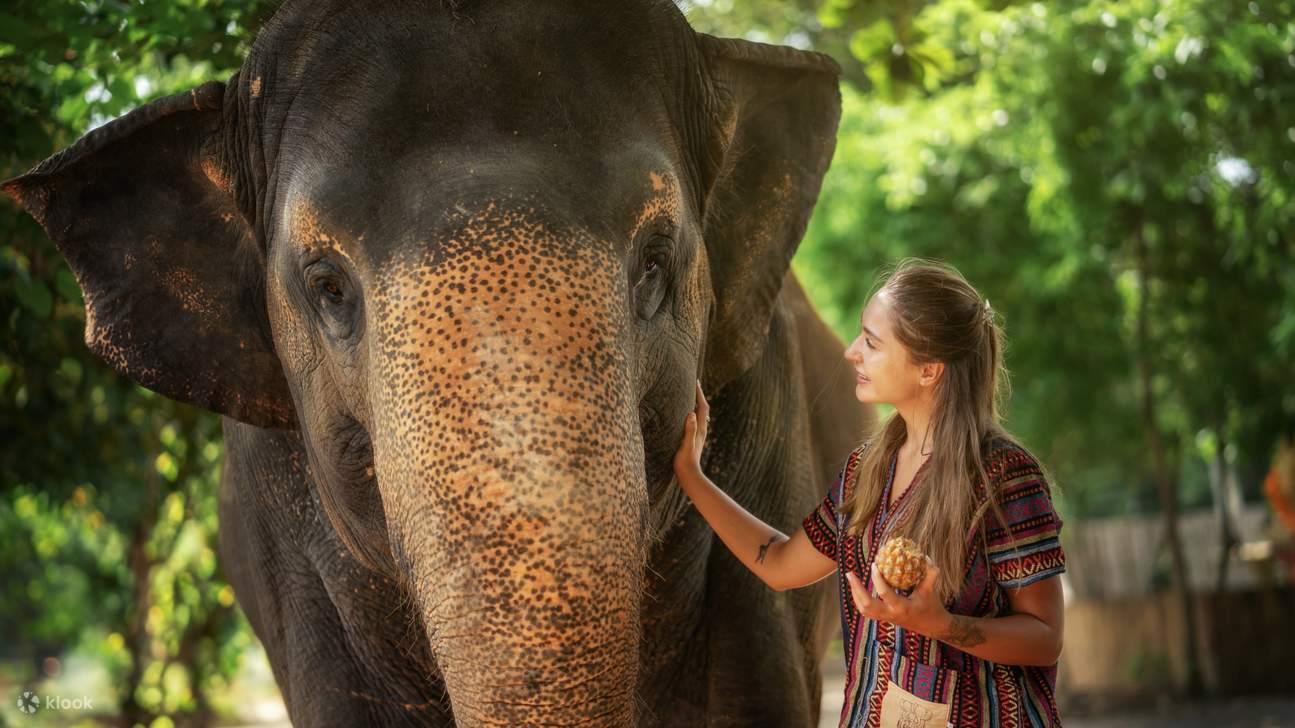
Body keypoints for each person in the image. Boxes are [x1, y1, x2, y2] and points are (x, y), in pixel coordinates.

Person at [673, 259, 1066, 728]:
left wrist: (942, 626)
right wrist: (691, 476)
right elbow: (779, 564)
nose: (851, 352)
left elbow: (1045, 636)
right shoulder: (866, 470)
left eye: (872, 343)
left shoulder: (1005, 476)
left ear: (928, 370)